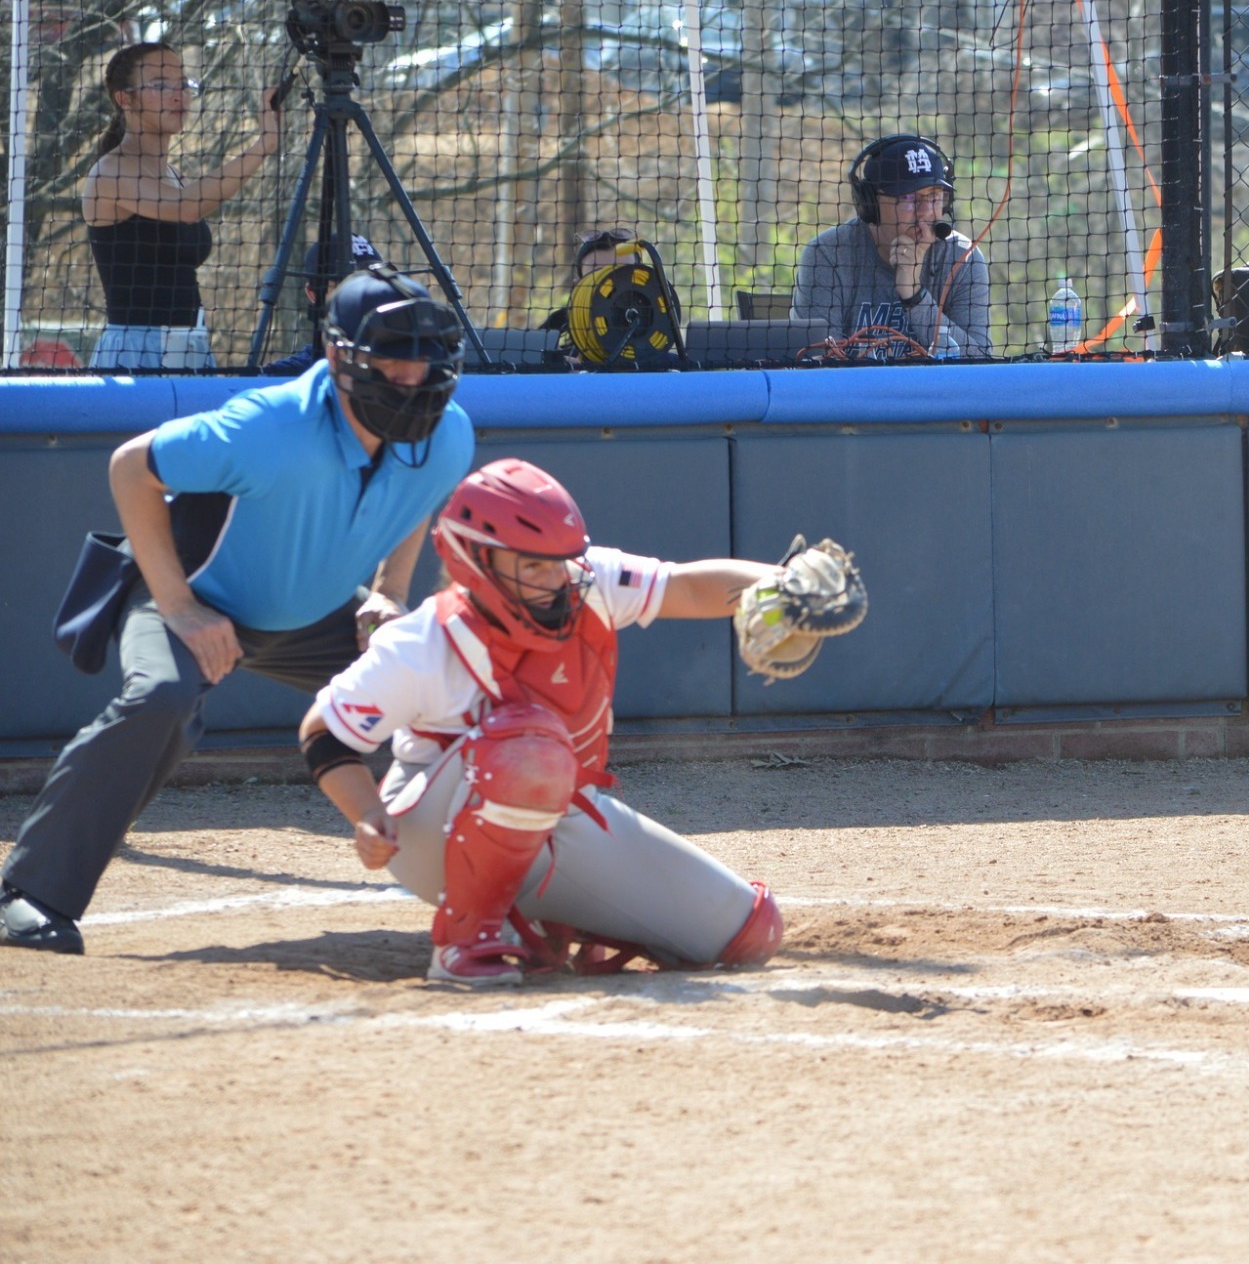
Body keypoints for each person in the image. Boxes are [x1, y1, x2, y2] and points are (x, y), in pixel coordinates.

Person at [0, 267, 474, 955]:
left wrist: (391, 592)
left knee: (455, 682)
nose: (413, 372)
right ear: (339, 355)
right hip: (195, 596)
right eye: (394, 352)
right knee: (163, 698)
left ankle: (508, 878)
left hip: (316, 614)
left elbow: (414, 495)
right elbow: (131, 467)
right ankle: (27, 893)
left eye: (426, 353)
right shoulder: (268, 426)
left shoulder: (445, 432)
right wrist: (181, 607)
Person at [296, 459, 861, 986]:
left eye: (559, 559)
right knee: (529, 751)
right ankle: (464, 940)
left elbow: (684, 585)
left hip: (549, 810)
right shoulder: (423, 640)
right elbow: (322, 731)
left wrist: (778, 584)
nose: (556, 576)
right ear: (477, 559)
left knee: (746, 932)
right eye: (533, 563)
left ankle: (564, 920)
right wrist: (366, 813)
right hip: (430, 836)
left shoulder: (586, 582)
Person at [82, 42, 284, 372]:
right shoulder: (110, 170)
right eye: (161, 85)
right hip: (137, 353)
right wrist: (265, 144)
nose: (178, 95)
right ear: (125, 99)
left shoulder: (173, 174)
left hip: (192, 343)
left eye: (183, 84)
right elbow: (187, 207)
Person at [792, 134, 990, 358]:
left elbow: (981, 360)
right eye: (909, 199)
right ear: (870, 204)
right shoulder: (828, 255)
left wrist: (915, 296)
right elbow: (815, 364)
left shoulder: (963, 257)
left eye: (934, 197)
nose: (925, 212)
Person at [261, 234, 383, 377]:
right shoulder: (289, 376)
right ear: (312, 294)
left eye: (372, 283)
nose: (363, 295)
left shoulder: (410, 358)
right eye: (344, 286)